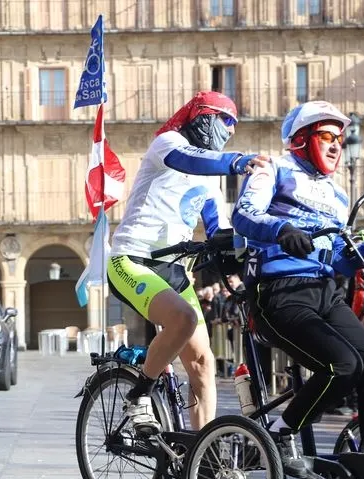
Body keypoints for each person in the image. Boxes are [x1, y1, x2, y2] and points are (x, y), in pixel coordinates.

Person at [231, 100, 364, 479]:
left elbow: (338, 261)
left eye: (340, 138)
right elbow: (244, 215)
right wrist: (281, 230)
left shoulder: (337, 194)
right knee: (343, 365)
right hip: (278, 292)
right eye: (327, 136)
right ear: (301, 138)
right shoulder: (273, 168)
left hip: (324, 292)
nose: (336, 145)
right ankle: (280, 433)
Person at [106, 90, 268, 435]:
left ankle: (200, 450)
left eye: (235, 125)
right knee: (184, 318)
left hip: (176, 271)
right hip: (133, 260)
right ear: (204, 117)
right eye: (227, 120)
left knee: (203, 364)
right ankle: (138, 395)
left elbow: (220, 230)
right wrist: (237, 162)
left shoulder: (211, 181)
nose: (231, 130)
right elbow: (190, 160)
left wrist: (265, 241)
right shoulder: (167, 143)